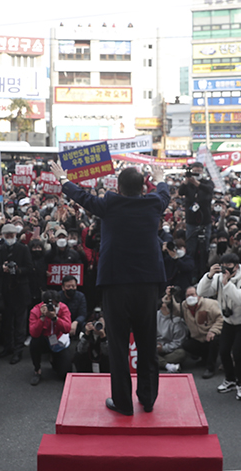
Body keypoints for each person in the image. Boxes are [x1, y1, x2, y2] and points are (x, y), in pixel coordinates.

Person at [49, 160, 170, 416]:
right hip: (148, 284)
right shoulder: (154, 203)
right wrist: (159, 177)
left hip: (116, 285)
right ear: (142, 188)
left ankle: (123, 403)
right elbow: (164, 191)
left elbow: (82, 196)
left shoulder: (110, 203)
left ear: (119, 187)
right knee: (147, 343)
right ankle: (148, 399)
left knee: (117, 345)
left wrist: (62, 178)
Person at [197, 252, 241, 400]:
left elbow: (240, 299)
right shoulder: (218, 277)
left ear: (236, 266)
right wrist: (209, 276)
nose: (225, 270)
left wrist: (227, 284)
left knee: (237, 353)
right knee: (223, 351)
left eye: (228, 267)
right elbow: (201, 292)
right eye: (222, 266)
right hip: (229, 320)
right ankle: (230, 379)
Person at [0, 223, 34, 364]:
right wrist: (2, 269)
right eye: (7, 235)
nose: (9, 238)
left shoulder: (23, 249)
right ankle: (8, 347)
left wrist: (18, 270)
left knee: (20, 323)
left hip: (20, 290)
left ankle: (18, 350)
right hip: (5, 291)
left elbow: (30, 268)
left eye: (11, 235)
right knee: (7, 322)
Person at [169, 285, 222, 379]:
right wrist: (170, 297)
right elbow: (175, 310)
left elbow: (221, 318)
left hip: (211, 334)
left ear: (198, 295)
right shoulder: (184, 306)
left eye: (192, 294)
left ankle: (210, 368)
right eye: (188, 295)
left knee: (214, 341)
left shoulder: (210, 304)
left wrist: (213, 331)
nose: (190, 297)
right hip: (198, 337)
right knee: (187, 345)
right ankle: (205, 358)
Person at [28, 290, 72, 386]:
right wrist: (42, 318)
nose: (52, 308)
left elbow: (67, 328)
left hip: (58, 340)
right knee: (34, 343)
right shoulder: (36, 310)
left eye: (55, 306)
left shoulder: (63, 308)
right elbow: (33, 333)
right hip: (43, 339)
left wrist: (55, 319)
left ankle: (54, 360)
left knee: (64, 374)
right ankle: (37, 370)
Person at [179, 162, 214, 275]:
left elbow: (209, 190)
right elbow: (180, 192)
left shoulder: (207, 183)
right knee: (191, 248)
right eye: (195, 171)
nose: (197, 173)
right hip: (191, 221)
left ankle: (203, 271)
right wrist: (186, 181)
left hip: (205, 220)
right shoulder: (188, 184)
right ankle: (192, 273)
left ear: (202, 171)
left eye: (199, 171)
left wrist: (197, 183)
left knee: (205, 248)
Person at [156, 290, 187, 372]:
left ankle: (160, 363)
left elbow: (178, 342)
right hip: (155, 348)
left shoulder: (178, 320)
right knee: (146, 351)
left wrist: (164, 348)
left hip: (171, 350)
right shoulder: (154, 316)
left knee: (181, 353)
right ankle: (167, 365)